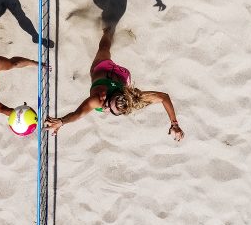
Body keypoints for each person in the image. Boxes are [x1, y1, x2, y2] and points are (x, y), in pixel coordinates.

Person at [44, 27, 184, 141]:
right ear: (111, 96)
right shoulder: (99, 99)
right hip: (104, 68)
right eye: (107, 105)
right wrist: (62, 121)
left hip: (120, 82)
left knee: (135, 101)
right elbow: (78, 113)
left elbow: (164, 97)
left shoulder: (128, 101)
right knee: (104, 47)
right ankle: (108, 30)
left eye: (109, 109)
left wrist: (174, 124)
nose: (104, 107)